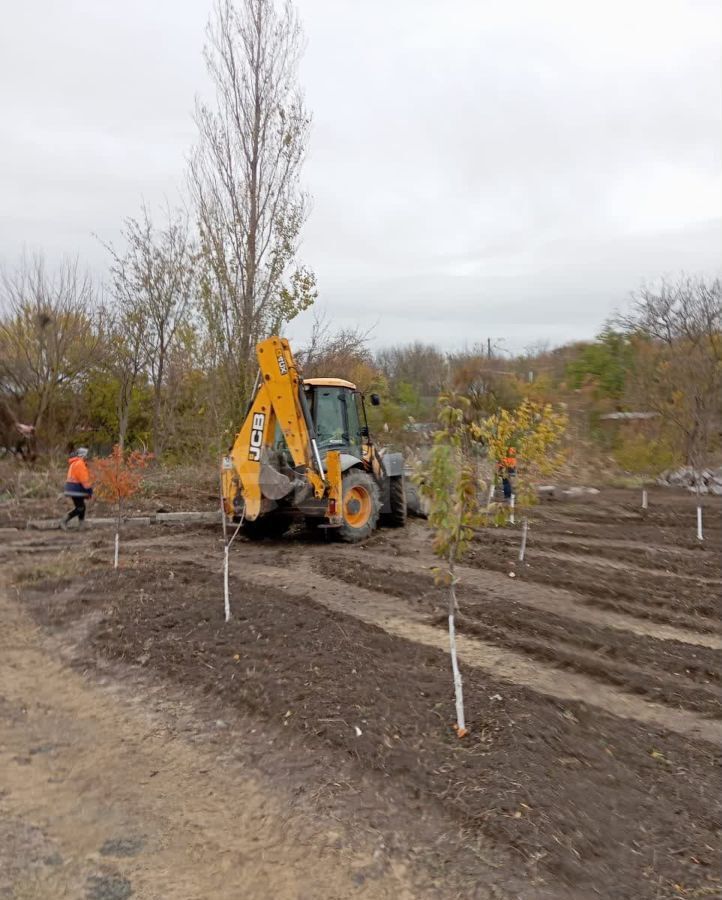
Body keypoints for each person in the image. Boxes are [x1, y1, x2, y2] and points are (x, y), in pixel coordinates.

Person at [60, 447, 93, 530]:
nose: (88, 457)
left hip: (72, 488)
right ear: (83, 455)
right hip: (76, 489)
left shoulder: (74, 463)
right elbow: (84, 480)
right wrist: (89, 491)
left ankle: (81, 525)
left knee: (81, 507)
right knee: (80, 508)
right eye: (86, 455)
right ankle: (64, 520)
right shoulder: (80, 464)